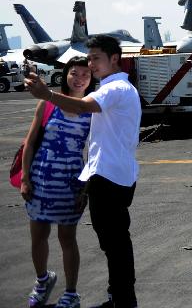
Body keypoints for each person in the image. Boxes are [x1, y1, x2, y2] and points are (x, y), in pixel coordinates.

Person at [26, 35, 141, 308]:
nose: (91, 63)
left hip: (110, 178)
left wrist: (48, 94)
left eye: (96, 58)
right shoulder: (118, 88)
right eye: (89, 58)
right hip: (110, 176)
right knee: (114, 244)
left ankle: (123, 300)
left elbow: (81, 106)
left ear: (114, 59)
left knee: (115, 245)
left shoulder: (115, 89)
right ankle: (119, 296)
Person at [21, 56, 96, 308]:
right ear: (66, 75)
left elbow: (93, 153)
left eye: (85, 75)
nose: (79, 79)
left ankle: (71, 293)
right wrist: (25, 177)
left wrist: (84, 191)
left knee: (67, 238)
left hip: (71, 182)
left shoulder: (91, 111)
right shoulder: (47, 103)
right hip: (41, 179)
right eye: (74, 73)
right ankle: (43, 281)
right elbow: (30, 143)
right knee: (38, 235)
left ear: (91, 79)